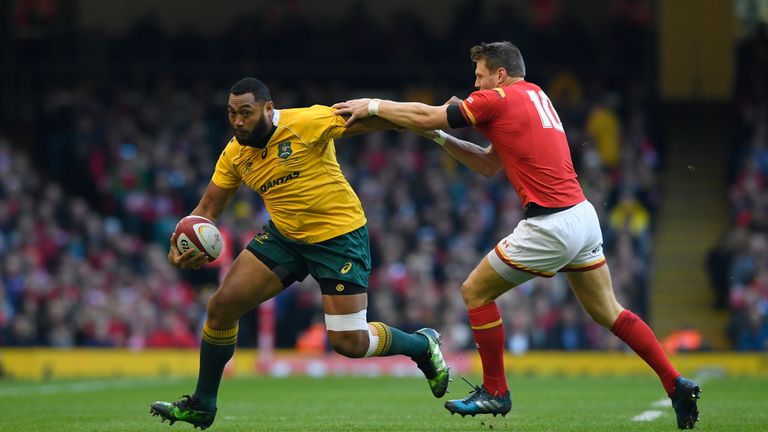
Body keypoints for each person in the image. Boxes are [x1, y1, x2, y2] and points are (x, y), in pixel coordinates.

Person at [333, 41, 701, 429]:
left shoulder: (497, 99)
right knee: (609, 312)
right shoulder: (536, 95)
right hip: (582, 216)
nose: (475, 85)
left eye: (479, 76)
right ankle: (675, 383)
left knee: (475, 291)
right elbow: (489, 163)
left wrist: (373, 105)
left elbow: (429, 115)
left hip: (551, 225)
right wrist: (440, 138)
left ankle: (495, 391)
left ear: (500, 75)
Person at [150, 78, 450, 429]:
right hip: (286, 237)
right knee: (221, 307)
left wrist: (432, 118)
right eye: (232, 113)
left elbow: (383, 120)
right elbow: (207, 209)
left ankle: (421, 345)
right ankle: (203, 403)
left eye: (245, 113)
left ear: (267, 107)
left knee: (348, 342)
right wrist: (180, 242)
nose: (238, 121)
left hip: (338, 238)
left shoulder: (306, 122)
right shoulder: (235, 153)